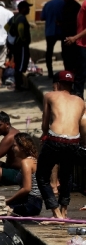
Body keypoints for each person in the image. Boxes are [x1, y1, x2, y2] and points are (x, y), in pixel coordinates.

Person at [36, 71, 84, 219]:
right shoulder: (81, 101)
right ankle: (64, 211)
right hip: (73, 141)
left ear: (57, 84)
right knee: (67, 174)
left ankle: (56, 213)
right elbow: (82, 126)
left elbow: (45, 122)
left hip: (55, 140)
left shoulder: (50, 95)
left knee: (42, 176)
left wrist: (44, 135)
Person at [6, 133, 43, 216]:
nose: (12, 149)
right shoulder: (32, 160)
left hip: (30, 203)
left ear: (22, 147)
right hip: (34, 202)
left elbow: (26, 189)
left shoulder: (26, 162)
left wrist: (9, 200)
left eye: (14, 146)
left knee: (3, 211)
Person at [5, 1, 32, 91]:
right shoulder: (21, 18)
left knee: (18, 64)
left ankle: (18, 85)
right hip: (21, 45)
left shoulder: (14, 17)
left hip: (15, 45)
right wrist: (22, 38)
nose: (29, 9)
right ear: (23, 8)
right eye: (27, 7)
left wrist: (12, 35)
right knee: (20, 65)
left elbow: (6, 27)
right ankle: (18, 86)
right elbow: (20, 28)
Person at [41, 0, 65, 81]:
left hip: (50, 31)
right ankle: (66, 71)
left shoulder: (47, 4)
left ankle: (50, 72)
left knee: (49, 52)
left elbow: (42, 17)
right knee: (65, 51)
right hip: (62, 31)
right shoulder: (64, 3)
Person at [61, 0, 81, 77]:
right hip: (76, 36)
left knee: (68, 59)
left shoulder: (66, 6)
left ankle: (69, 77)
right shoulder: (76, 6)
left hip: (69, 35)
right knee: (75, 58)